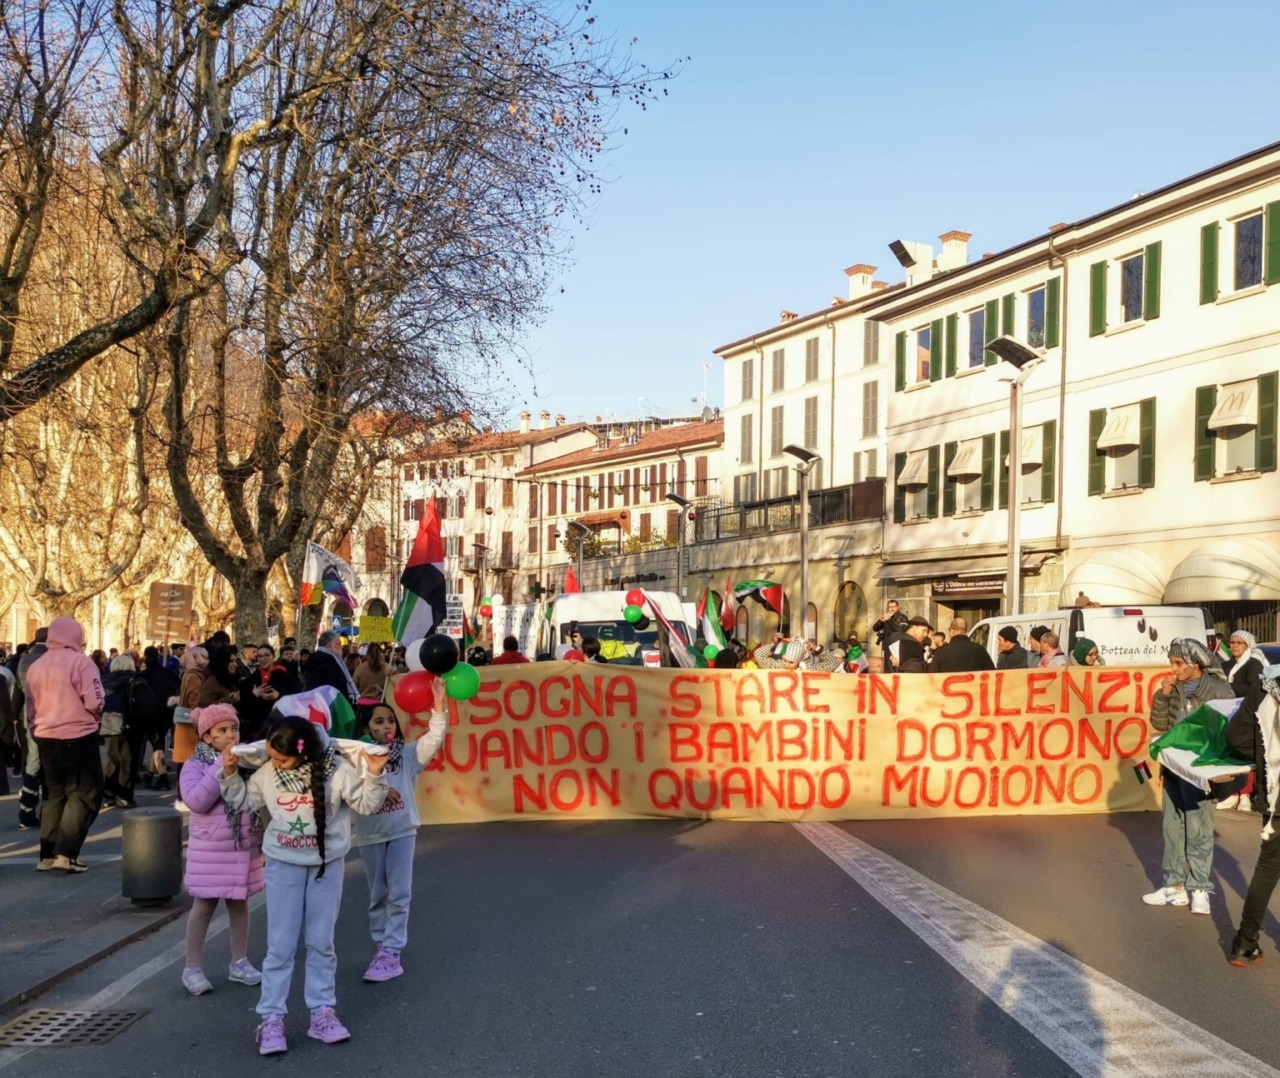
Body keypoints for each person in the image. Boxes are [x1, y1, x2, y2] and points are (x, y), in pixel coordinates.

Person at [218, 716, 389, 1055]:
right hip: (283, 866)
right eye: (271, 757)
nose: (274, 763)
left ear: (303, 752)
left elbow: (368, 804)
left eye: (281, 759)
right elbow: (243, 803)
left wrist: (374, 774)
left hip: (327, 866)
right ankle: (271, 1018)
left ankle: (322, 1012)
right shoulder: (267, 773)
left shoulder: (337, 771)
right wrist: (230, 775)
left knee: (321, 942)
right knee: (280, 946)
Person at [352, 697, 447, 982]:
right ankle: (382, 944)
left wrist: (439, 707)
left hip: (402, 831)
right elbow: (350, 793)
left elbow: (434, 738)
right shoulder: (355, 760)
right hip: (370, 835)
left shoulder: (407, 756)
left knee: (399, 893)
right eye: (378, 722)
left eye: (390, 721)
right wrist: (379, 789)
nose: (386, 727)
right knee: (377, 895)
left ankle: (392, 951)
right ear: (366, 727)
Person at [1144, 638, 1235, 914]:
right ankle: (1174, 887)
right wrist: (1162, 697)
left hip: (1201, 770)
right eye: (1172, 663)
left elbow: (1231, 730)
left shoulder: (1219, 690)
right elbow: (1161, 724)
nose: (1174, 669)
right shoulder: (1173, 689)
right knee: (1172, 827)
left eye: (1178, 663)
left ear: (1195, 663)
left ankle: (1200, 889)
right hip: (1174, 768)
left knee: (1199, 829)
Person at [180, 703, 265, 995]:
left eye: (234, 728)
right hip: (211, 850)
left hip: (242, 847)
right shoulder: (195, 764)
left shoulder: (247, 762)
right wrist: (221, 768)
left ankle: (239, 961)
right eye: (222, 730)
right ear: (207, 736)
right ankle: (192, 967)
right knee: (203, 907)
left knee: (239, 904)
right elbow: (195, 801)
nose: (231, 735)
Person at [24, 617, 105, 873]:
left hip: (45, 735)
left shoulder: (36, 666)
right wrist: (97, 714)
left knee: (54, 794)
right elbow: (95, 700)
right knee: (84, 793)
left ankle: (47, 854)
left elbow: (29, 705)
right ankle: (66, 853)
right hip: (78, 734)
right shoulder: (82, 662)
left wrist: (35, 728)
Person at [1224, 668, 1280, 965]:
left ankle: (1245, 943)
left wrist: (1263, 757)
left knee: (1268, 867)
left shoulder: (1265, 686)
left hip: (1275, 792)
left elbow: (1235, 737)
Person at [101, 654, 158, 808]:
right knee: (128, 762)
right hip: (132, 725)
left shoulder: (104, 681)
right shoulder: (138, 681)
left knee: (112, 761)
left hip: (109, 724)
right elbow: (148, 705)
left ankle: (108, 795)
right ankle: (124, 797)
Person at [239, 644, 292, 742]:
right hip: (256, 731)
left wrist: (278, 696)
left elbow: (293, 700)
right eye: (260, 656)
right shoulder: (249, 681)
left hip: (279, 729)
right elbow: (243, 708)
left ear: (273, 656)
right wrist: (253, 695)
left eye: (266, 655)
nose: (263, 659)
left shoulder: (285, 677)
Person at [175, 645, 210, 767]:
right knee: (189, 758)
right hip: (190, 721)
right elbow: (194, 700)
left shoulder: (187, 673)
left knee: (184, 759)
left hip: (183, 718)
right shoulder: (195, 676)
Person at [303, 631, 359, 707]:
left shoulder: (316, 659)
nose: (341, 647)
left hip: (317, 703)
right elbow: (337, 686)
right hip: (330, 705)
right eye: (338, 643)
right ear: (328, 645)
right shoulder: (329, 662)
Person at [930, 617, 995, 673]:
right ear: (966, 631)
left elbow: (932, 676)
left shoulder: (941, 653)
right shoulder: (980, 650)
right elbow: (992, 674)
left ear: (952, 630)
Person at [1224, 630, 1266, 700]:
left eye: (1239, 643)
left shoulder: (1254, 664)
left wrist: (1226, 687)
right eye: (1232, 642)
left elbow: (1253, 688)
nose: (1235, 646)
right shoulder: (1227, 663)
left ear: (1247, 645)